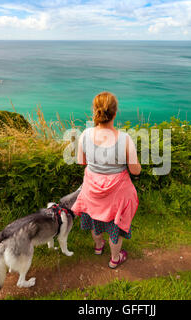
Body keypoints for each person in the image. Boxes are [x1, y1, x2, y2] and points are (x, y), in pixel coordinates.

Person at [71, 91, 141, 269]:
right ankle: (115, 259)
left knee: (96, 221)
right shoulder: (125, 139)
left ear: (95, 111)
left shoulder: (85, 135)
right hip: (117, 194)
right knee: (114, 229)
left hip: (92, 191)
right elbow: (135, 170)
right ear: (115, 113)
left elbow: (82, 162)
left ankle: (98, 246)